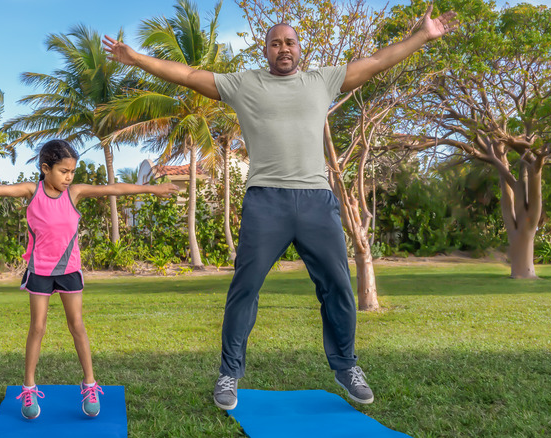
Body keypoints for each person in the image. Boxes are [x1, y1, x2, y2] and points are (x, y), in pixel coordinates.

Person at [103, 4, 457, 410]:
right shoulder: (243, 84)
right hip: (265, 200)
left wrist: (423, 36)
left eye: (289, 42)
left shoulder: (322, 80)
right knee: (244, 289)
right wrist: (136, 59)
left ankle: (346, 366)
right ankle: (229, 374)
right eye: (275, 43)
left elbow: (377, 62)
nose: (283, 48)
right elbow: (185, 74)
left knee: (338, 287)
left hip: (316, 200)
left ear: (299, 49)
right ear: (265, 50)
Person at [0, 139, 178, 419]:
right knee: (38, 327)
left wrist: (153, 189)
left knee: (77, 326)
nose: (69, 177)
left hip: (69, 270)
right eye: (63, 171)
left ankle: (90, 384)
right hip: (40, 271)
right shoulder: (31, 191)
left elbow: (115, 188)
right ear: (46, 168)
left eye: (72, 171)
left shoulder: (75, 193)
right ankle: (29, 388)